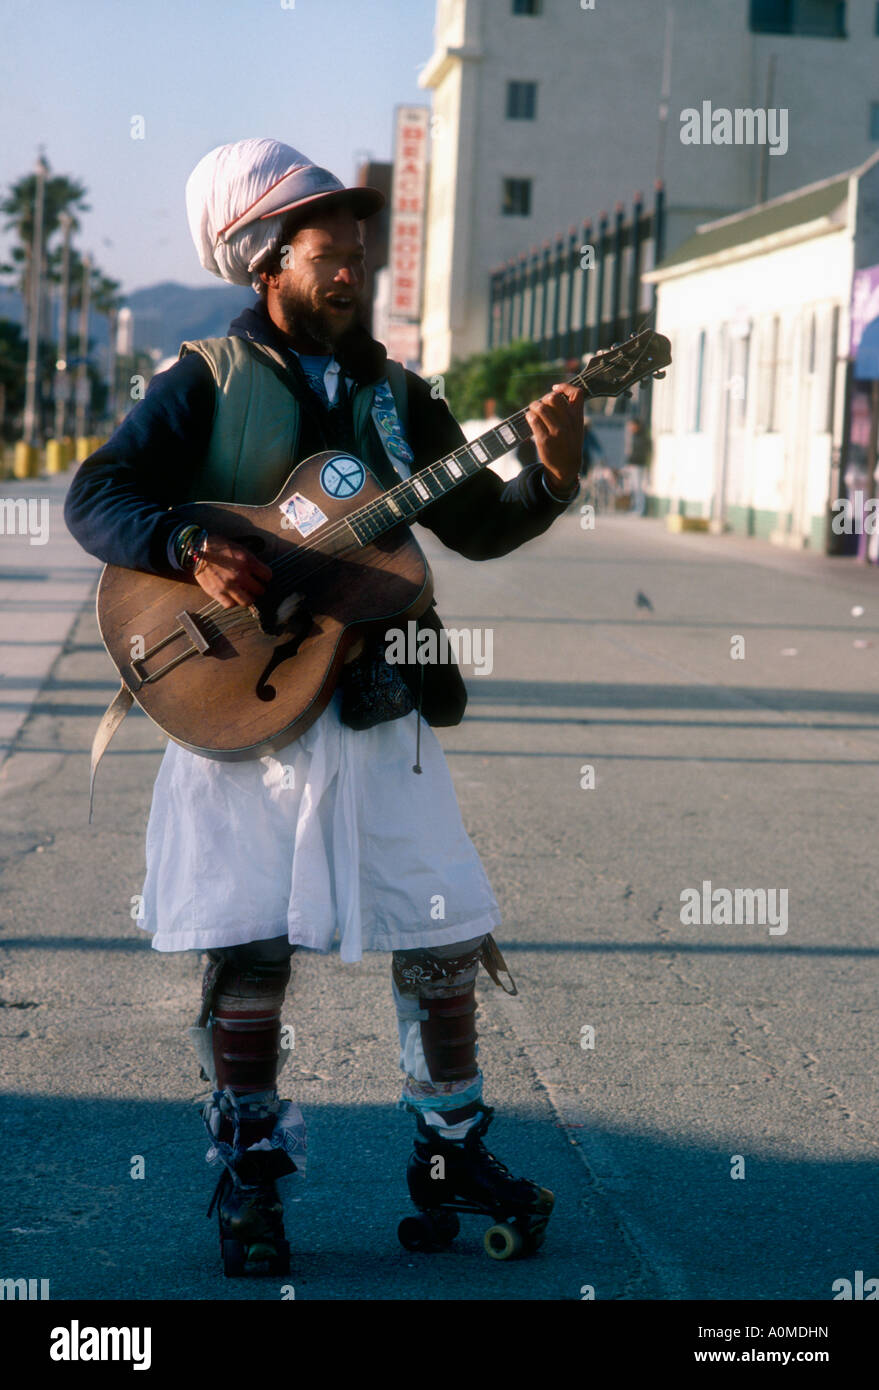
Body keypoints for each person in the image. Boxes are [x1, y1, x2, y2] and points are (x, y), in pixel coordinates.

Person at [64, 138, 584, 1275]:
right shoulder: (202, 374)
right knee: (250, 951)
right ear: (266, 263)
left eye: (360, 253)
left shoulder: (403, 398)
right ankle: (249, 1176)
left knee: (445, 935)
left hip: (383, 701)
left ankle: (450, 1155)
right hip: (243, 703)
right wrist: (190, 543)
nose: (353, 272)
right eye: (328, 255)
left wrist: (550, 474)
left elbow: (479, 524)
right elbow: (97, 496)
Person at [624, 416, 651, 516]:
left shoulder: (642, 436)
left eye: (632, 425)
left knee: (638, 488)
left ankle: (640, 509)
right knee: (633, 487)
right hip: (633, 464)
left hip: (639, 464)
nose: (630, 427)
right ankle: (635, 507)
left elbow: (642, 452)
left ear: (637, 425)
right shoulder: (634, 436)